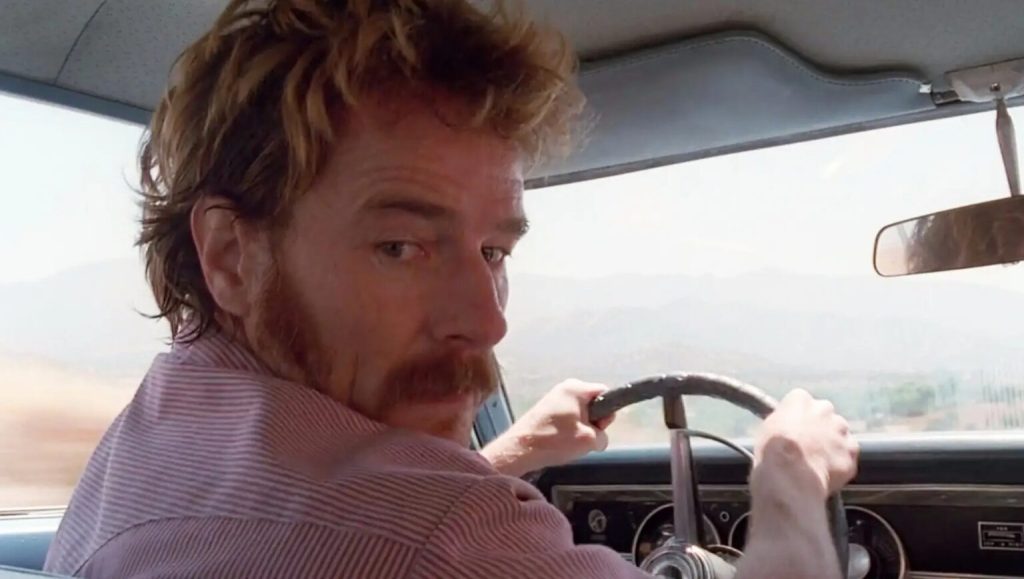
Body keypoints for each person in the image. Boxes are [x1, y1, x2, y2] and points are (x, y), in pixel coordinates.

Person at [44, 1, 858, 578]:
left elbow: (343, 515)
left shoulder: (147, 445)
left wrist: (511, 454)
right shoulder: (459, 535)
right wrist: (789, 479)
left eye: (493, 250)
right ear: (231, 256)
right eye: (400, 247)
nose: (487, 321)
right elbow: (412, 533)